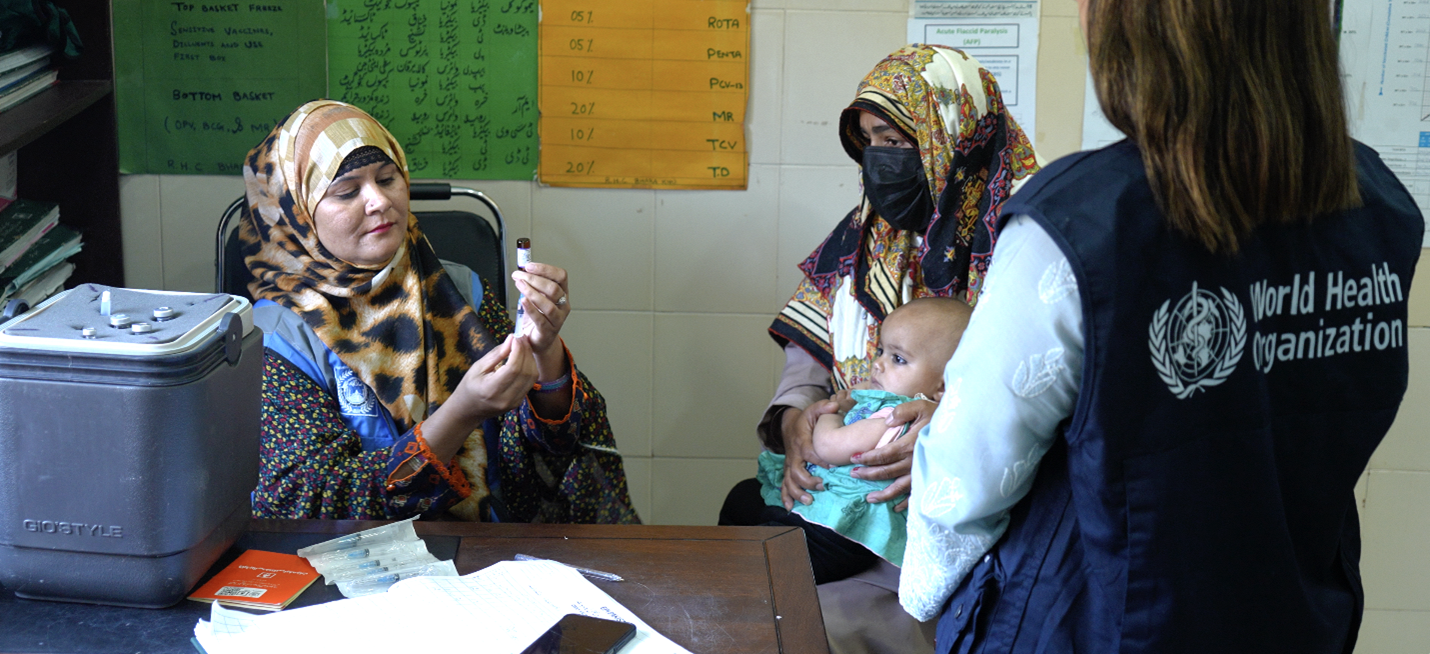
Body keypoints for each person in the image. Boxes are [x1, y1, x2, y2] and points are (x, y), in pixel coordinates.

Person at [899, 0, 1424, 652]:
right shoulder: (1381, 206)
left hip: (1098, 624)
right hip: (1296, 620)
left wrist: (918, 597)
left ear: (1148, 0)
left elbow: (966, 475)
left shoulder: (1077, 227)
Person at [719, 43, 1038, 654]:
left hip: (978, 514)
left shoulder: (1028, 238)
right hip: (855, 489)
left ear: (952, 134)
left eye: (895, 140)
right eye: (868, 141)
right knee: (746, 538)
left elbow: (1054, 388)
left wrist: (953, 429)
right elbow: (806, 367)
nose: (879, 159)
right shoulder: (861, 235)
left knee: (776, 578)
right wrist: (795, 425)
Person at [240, 99, 639, 523]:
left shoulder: (459, 289)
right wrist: (460, 413)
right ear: (296, 213)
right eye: (347, 191)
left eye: (388, 178)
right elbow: (308, 500)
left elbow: (550, 451)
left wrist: (546, 354)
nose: (379, 201)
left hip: (490, 547)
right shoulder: (275, 336)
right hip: (364, 557)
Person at [753, 298, 972, 585]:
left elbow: (829, 446)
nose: (877, 364)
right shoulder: (898, 405)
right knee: (742, 510)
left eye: (898, 359)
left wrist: (832, 411)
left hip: (838, 531)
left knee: (757, 563)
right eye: (881, 351)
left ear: (942, 386)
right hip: (833, 519)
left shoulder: (898, 416)